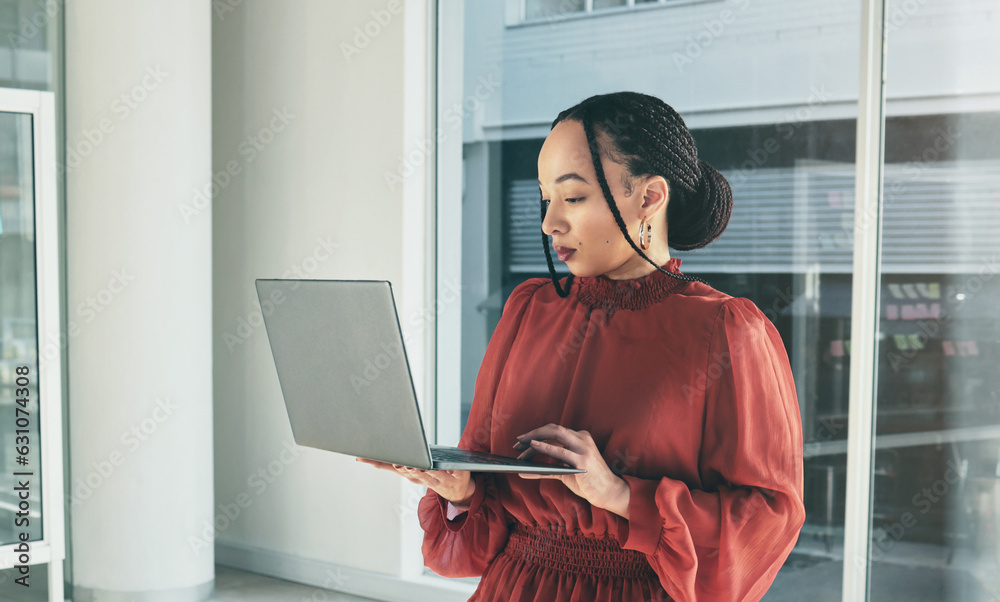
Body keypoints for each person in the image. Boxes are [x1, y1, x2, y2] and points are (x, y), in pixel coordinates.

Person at [357, 91, 805, 601]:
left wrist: (617, 493)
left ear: (650, 197)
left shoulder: (727, 328)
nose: (551, 223)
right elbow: (486, 482)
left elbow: (769, 518)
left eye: (572, 198)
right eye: (546, 199)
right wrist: (460, 492)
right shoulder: (527, 309)